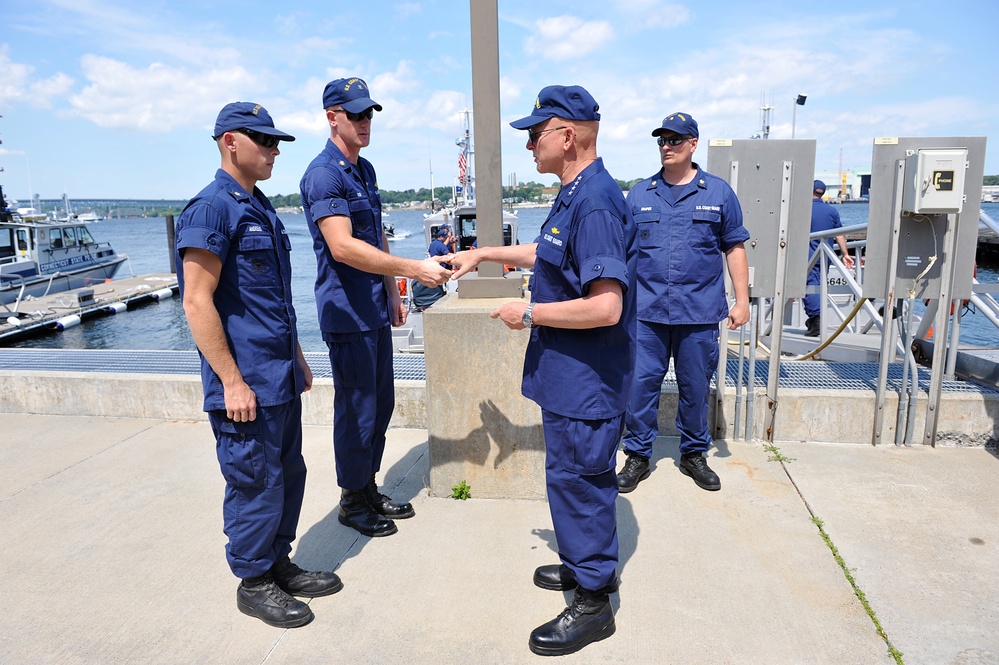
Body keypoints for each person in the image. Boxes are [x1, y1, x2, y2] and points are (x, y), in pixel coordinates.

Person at [449, 85, 636, 657]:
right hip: (567, 375)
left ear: (569, 135)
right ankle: (584, 569)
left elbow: (607, 306)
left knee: (581, 483)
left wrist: (528, 312)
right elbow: (549, 252)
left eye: (536, 133)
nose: (529, 144)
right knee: (570, 479)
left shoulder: (597, 201)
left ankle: (594, 600)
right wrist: (485, 254)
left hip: (587, 380)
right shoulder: (574, 194)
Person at [177, 102, 342, 629]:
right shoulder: (211, 210)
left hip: (278, 377)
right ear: (230, 142)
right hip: (244, 383)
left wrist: (297, 360)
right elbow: (197, 302)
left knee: (287, 473)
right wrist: (230, 380)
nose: (274, 151)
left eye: (277, 143)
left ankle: (277, 564)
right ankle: (253, 582)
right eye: (264, 141)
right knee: (255, 481)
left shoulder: (262, 207)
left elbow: (269, 301)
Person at [300, 77, 451, 538]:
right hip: (346, 312)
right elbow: (343, 247)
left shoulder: (363, 170)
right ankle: (351, 499)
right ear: (332, 117)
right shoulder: (324, 173)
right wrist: (414, 268)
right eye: (356, 114)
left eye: (369, 114)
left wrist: (392, 291)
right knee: (357, 409)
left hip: (372, 308)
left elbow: (377, 234)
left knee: (380, 404)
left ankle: (367, 486)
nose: (366, 122)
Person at [616, 112, 750, 495]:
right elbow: (621, 251)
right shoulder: (640, 194)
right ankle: (638, 455)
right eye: (662, 140)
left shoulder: (718, 192)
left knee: (695, 385)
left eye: (675, 140)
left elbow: (734, 247)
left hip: (699, 312)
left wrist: (743, 300)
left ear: (693, 144)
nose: (666, 146)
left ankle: (693, 454)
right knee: (641, 386)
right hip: (646, 312)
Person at [804, 180, 855, 336]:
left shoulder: (804, 209)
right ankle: (813, 320)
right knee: (819, 287)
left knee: (808, 288)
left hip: (807, 257)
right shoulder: (831, 210)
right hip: (824, 257)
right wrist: (845, 254)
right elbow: (839, 233)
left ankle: (815, 320)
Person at [412, 227, 451, 310]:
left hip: (433, 267)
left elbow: (429, 251)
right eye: (445, 237)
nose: (446, 239)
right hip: (441, 268)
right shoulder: (441, 245)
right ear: (441, 237)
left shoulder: (433, 243)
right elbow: (448, 255)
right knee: (441, 285)